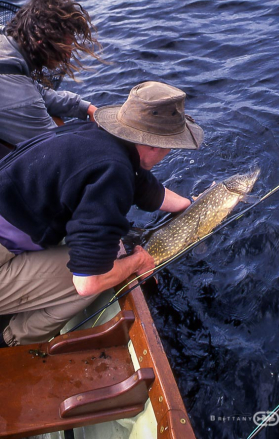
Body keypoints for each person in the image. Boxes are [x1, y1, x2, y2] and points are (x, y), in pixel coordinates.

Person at [0, 80, 204, 347]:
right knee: (97, 276)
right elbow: (87, 282)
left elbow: (143, 186)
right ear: (155, 145)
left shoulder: (92, 136)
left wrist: (190, 205)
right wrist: (138, 263)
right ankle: (11, 342)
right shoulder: (114, 172)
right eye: (171, 146)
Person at [0, 0, 100, 147]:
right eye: (64, 49)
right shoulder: (23, 98)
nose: (67, 57)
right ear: (43, 45)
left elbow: (34, 90)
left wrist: (86, 108)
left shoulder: (6, 49)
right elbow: (58, 150)